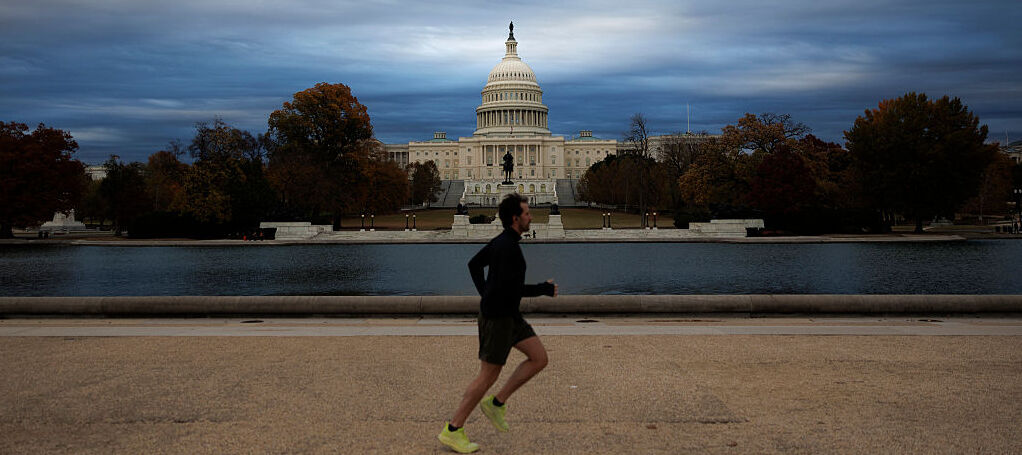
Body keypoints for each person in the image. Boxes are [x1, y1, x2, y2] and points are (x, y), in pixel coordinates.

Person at [438, 193, 558, 453]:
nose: (531, 216)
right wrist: (543, 289)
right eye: (527, 213)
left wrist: (486, 291)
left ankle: (497, 404)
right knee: (486, 377)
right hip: (498, 318)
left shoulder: (505, 242)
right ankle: (453, 429)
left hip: (508, 314)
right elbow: (511, 288)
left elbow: (474, 265)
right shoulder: (507, 248)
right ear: (516, 218)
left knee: (539, 357)